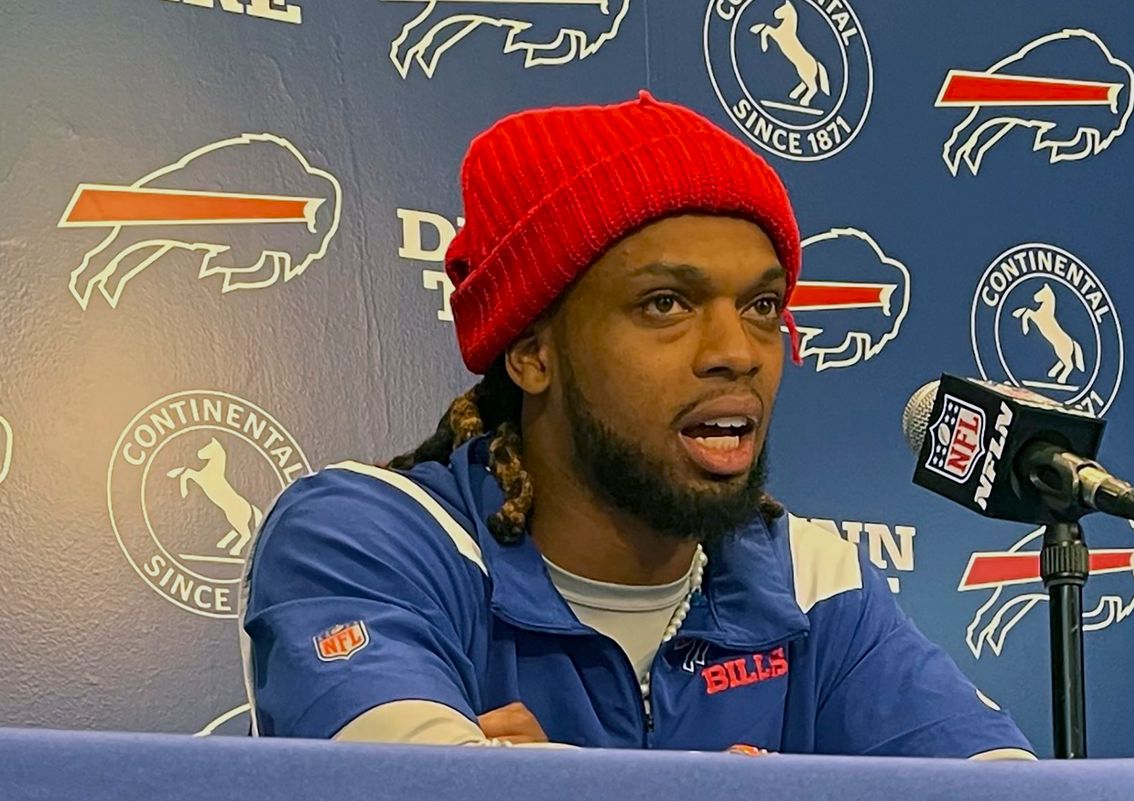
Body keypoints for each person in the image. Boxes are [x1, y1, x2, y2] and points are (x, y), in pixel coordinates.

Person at [238, 90, 1035, 758]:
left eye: (762, 306)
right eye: (666, 303)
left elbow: (1002, 782)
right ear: (532, 352)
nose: (738, 352)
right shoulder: (365, 536)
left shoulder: (811, 578)